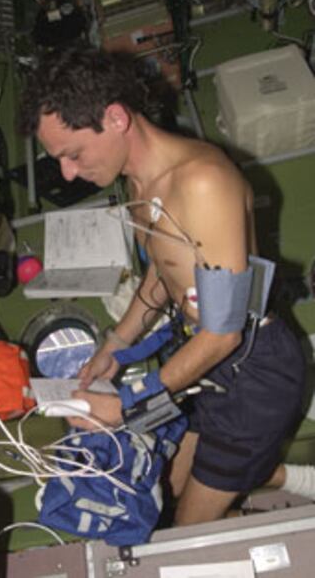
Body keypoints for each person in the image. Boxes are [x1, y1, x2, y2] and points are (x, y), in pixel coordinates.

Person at [20, 46, 308, 525]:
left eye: (72, 154)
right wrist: (117, 343)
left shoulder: (200, 184)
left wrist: (129, 405)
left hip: (252, 375)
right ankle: (266, 471)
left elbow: (224, 334)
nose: (68, 173)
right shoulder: (138, 181)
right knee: (161, 490)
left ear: (115, 118)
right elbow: (164, 269)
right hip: (202, 364)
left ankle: (258, 470)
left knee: (183, 532)